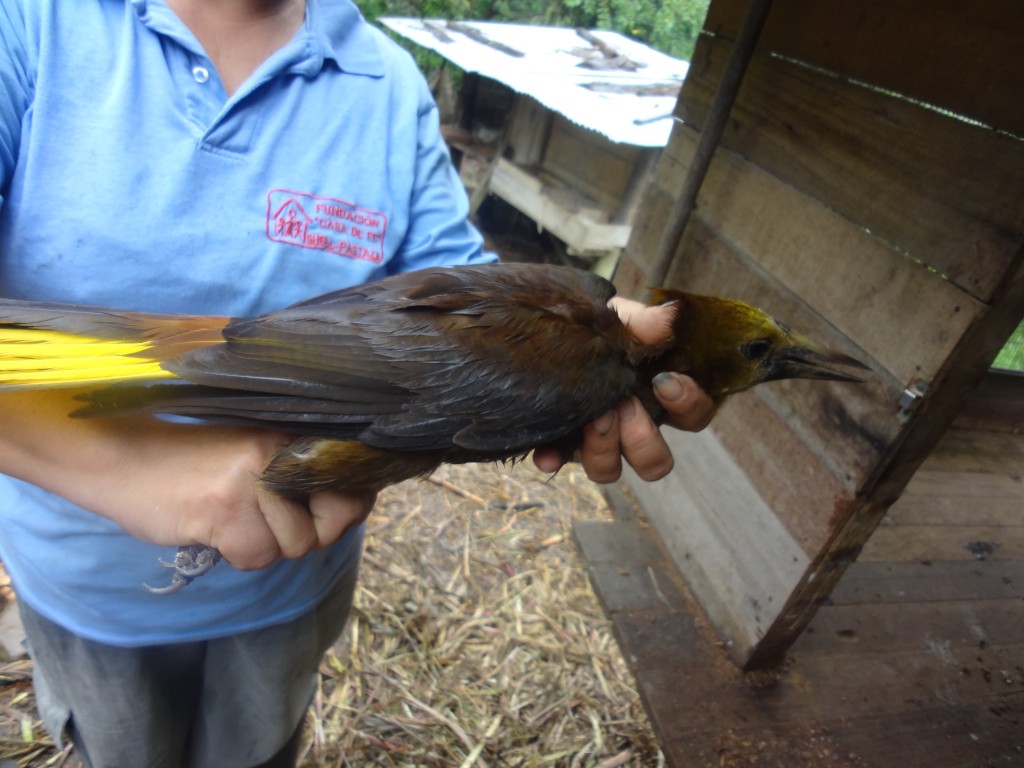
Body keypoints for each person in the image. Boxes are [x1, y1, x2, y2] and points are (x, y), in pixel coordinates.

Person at [0, 0, 714, 765]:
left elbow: (458, 289)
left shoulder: (388, 83)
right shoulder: (32, 26)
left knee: (257, 746)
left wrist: (569, 337)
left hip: (288, 581)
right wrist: (123, 464)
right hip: (84, 588)